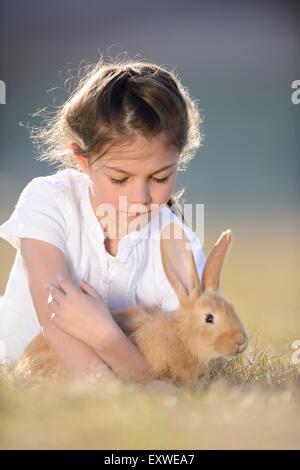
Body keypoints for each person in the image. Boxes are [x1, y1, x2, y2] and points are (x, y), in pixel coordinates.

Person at [0, 59, 205, 381]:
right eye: (120, 180)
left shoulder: (180, 248)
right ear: (83, 159)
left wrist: (106, 337)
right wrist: (116, 385)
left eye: (160, 177)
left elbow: (176, 369)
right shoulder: (48, 200)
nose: (140, 198)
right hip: (15, 365)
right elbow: (55, 320)